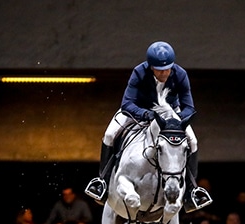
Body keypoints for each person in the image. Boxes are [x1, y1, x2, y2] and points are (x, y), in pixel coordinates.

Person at [84, 40, 212, 213]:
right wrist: (146, 114)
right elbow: (127, 104)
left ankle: (191, 191)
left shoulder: (180, 74)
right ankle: (102, 183)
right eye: (160, 69)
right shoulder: (139, 72)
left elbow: (189, 107)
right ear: (151, 67)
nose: (165, 73)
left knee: (193, 141)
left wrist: (176, 121)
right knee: (109, 134)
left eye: (168, 68)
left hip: (170, 114)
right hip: (140, 111)